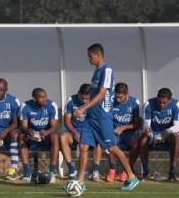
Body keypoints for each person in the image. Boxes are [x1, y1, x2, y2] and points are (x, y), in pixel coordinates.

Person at [72, 43, 139, 192]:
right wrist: (86, 110)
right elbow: (95, 95)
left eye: (90, 56)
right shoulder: (96, 72)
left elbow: (102, 94)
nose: (88, 58)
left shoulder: (106, 70)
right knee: (83, 147)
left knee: (112, 148)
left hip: (102, 118)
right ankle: (80, 182)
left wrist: (82, 108)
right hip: (91, 118)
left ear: (98, 55)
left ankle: (132, 176)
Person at [59, 84, 103, 181]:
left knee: (97, 141)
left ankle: (95, 171)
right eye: (83, 98)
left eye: (87, 98)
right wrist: (75, 133)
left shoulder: (95, 100)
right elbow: (67, 121)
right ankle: (72, 169)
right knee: (62, 137)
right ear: (78, 93)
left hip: (89, 131)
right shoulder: (71, 100)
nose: (85, 101)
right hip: (74, 131)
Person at [19, 88, 59, 183]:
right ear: (34, 98)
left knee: (55, 137)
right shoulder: (25, 106)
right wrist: (29, 131)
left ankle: (52, 172)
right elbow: (23, 126)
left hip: (46, 136)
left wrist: (46, 132)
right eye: (41, 97)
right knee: (21, 137)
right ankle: (27, 173)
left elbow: (54, 126)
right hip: (32, 136)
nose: (44, 99)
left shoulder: (52, 105)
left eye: (45, 97)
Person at [138, 88, 179, 181]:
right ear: (157, 98)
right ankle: (145, 172)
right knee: (143, 139)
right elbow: (146, 124)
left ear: (170, 100)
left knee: (176, 137)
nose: (161, 105)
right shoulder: (148, 104)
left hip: (168, 134)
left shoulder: (176, 105)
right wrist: (148, 131)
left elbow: (177, 126)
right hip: (153, 133)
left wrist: (166, 132)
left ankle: (172, 172)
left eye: (164, 103)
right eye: (160, 102)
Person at [106, 82, 140, 182]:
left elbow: (137, 124)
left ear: (126, 94)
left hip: (129, 133)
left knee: (135, 143)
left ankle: (126, 171)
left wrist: (123, 128)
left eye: (120, 97)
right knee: (109, 142)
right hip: (114, 133)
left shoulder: (134, 103)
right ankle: (112, 170)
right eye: (116, 96)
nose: (118, 99)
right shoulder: (110, 102)